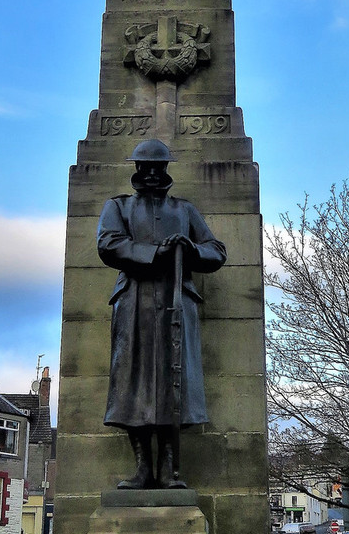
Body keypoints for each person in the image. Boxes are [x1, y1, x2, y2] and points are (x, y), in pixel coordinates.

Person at [97, 138, 226, 489]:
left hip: (176, 302)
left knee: (176, 384)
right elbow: (108, 243)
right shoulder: (119, 207)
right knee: (132, 383)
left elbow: (216, 251)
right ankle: (142, 468)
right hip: (134, 302)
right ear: (136, 169)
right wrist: (155, 252)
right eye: (145, 167)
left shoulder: (184, 210)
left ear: (166, 169)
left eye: (159, 167)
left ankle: (169, 467)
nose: (152, 174)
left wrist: (191, 248)